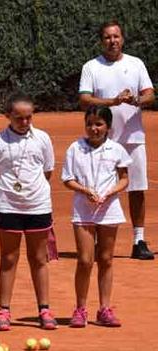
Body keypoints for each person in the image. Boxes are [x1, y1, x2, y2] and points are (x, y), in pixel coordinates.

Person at [78, 20, 155, 260]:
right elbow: (85, 99)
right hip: (103, 141)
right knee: (101, 188)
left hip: (133, 138)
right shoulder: (91, 67)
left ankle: (138, 240)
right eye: (108, 37)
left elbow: (149, 94)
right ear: (102, 41)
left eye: (116, 36)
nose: (113, 41)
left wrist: (135, 101)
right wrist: (113, 102)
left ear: (122, 39)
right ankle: (101, 238)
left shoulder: (136, 64)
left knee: (137, 189)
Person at [0, 95, 57, 331]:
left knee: (39, 258)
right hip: (7, 207)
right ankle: (4, 310)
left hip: (38, 206)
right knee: (8, 258)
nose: (25, 123)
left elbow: (47, 171)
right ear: (8, 116)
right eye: (19, 118)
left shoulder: (43, 138)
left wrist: (31, 194)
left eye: (28, 118)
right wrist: (6, 196)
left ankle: (44, 309)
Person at [61, 106, 130, 328]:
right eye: (90, 123)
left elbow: (124, 178)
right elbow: (67, 179)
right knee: (84, 260)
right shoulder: (75, 148)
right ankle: (80, 309)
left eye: (99, 124)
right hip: (83, 209)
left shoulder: (117, 149)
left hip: (109, 210)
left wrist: (110, 192)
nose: (94, 128)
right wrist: (85, 191)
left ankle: (105, 309)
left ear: (108, 127)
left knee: (107, 259)